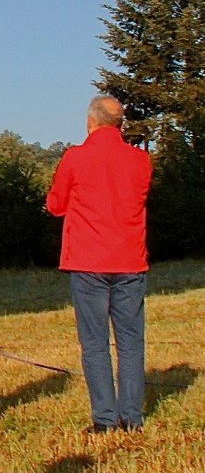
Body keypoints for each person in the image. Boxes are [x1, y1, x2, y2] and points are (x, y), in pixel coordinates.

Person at [45, 97, 152, 433]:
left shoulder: (75, 158)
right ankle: (131, 417)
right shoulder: (141, 160)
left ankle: (105, 419)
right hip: (130, 260)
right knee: (131, 342)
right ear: (119, 124)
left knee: (94, 342)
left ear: (91, 121)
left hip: (89, 260)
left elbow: (56, 204)